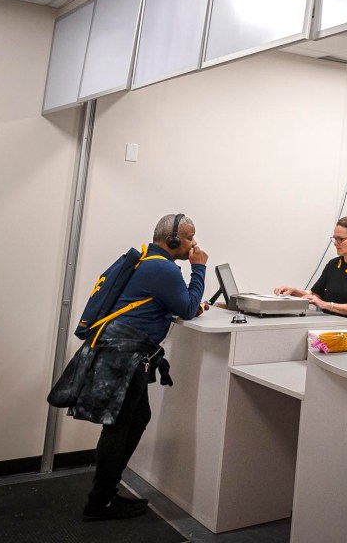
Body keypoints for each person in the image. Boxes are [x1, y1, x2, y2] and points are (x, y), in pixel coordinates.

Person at [81, 213, 210, 521]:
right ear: (174, 240)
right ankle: (100, 502)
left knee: (135, 418)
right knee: (120, 425)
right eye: (190, 237)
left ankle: (105, 495)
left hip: (121, 352)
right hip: (125, 355)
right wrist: (200, 268)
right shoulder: (163, 268)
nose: (194, 243)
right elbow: (188, 309)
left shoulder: (146, 259)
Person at [274, 215, 347, 334]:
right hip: (332, 330)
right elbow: (315, 294)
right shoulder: (333, 264)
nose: (336, 243)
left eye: (341, 239)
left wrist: (326, 305)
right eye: (335, 238)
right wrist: (293, 291)